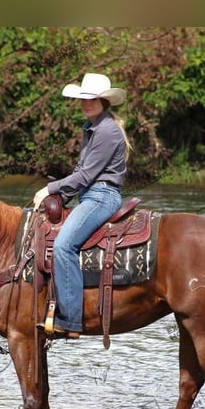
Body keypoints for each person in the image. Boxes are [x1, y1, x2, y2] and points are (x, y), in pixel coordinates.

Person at [33, 73, 130, 338]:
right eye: (83, 99)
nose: (86, 103)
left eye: (92, 99)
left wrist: (50, 189)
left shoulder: (107, 131)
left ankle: (71, 320)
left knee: (64, 246)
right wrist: (62, 197)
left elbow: (87, 176)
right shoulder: (91, 127)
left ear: (104, 101)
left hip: (101, 196)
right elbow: (81, 170)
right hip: (89, 194)